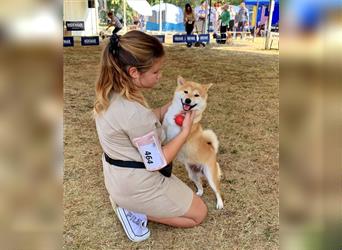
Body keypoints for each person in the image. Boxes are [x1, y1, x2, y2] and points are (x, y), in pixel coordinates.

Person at [94, 30, 207, 242]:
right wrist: (184, 132)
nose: (160, 76)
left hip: (118, 176)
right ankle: (134, 211)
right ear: (134, 72)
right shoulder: (134, 114)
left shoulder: (112, 92)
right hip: (135, 183)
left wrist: (169, 109)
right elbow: (157, 161)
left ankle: (130, 204)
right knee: (198, 214)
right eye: (156, 72)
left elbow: (141, 122)